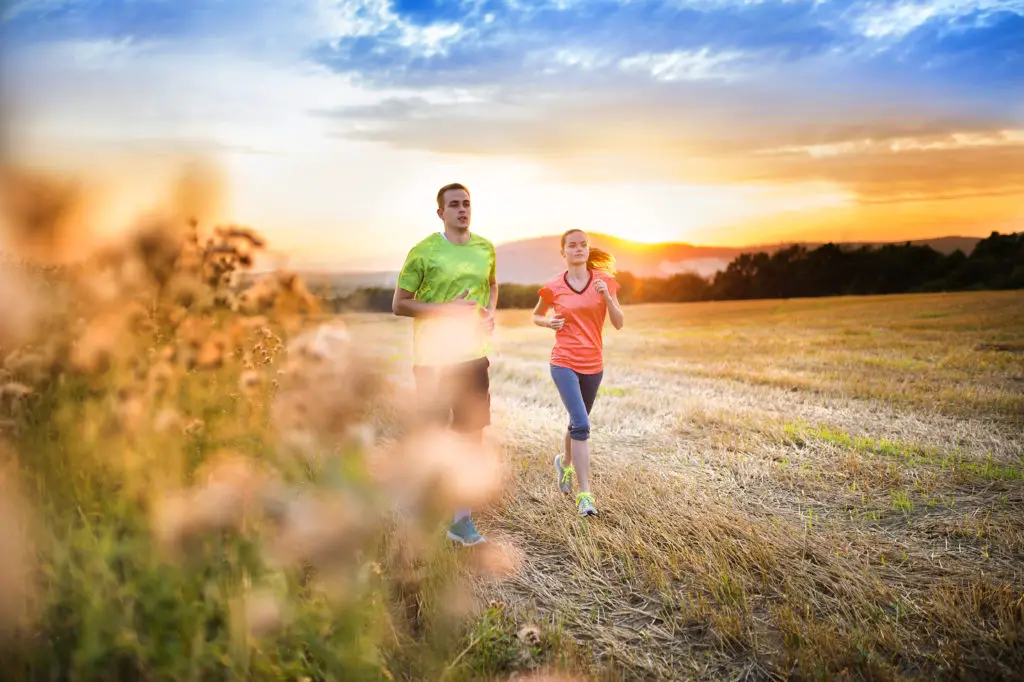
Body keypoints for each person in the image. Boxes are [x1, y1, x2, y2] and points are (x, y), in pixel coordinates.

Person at [392, 182, 498, 546]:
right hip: (433, 359)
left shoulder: (486, 249)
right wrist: (446, 311)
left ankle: (461, 521)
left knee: (472, 435)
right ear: (441, 213)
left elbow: (492, 285)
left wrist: (490, 314)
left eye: (467, 204)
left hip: (472, 356)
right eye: (454, 205)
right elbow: (400, 304)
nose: (462, 210)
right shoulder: (423, 252)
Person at [532, 229, 624, 517]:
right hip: (563, 362)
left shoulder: (605, 282)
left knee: (576, 422)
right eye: (572, 245)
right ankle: (585, 496)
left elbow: (619, 323)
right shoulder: (553, 287)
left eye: (583, 245)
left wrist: (608, 298)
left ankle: (565, 463)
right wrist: (549, 323)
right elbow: (536, 315)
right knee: (582, 424)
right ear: (563, 252)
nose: (579, 249)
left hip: (593, 364)